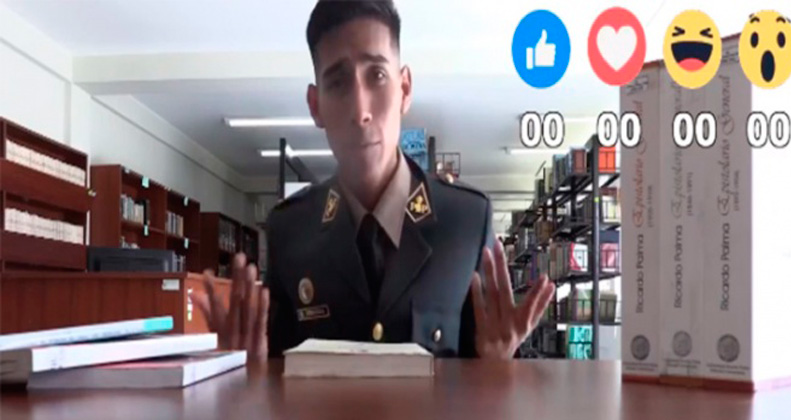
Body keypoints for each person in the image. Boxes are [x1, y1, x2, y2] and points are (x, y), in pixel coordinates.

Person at [192, 0, 555, 364]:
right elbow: (278, 374)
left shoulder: (466, 220)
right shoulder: (290, 229)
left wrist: (498, 366)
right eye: (338, 82)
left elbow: (485, 373)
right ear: (315, 105)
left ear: (405, 89)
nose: (361, 111)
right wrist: (247, 372)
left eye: (377, 75)